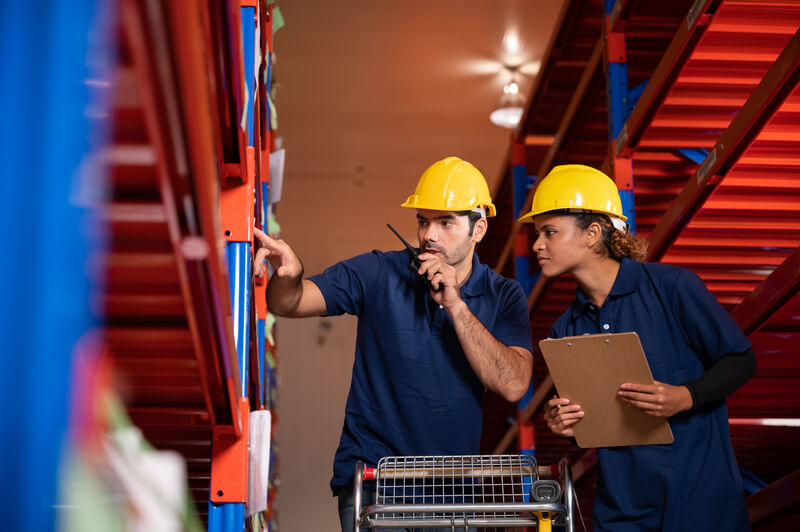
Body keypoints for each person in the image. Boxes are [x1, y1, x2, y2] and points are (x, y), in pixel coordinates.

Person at [254, 156, 534, 532]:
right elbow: (288, 302)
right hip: (374, 482)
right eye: (423, 221)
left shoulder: (504, 295)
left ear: (479, 228)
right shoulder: (378, 272)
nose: (429, 235)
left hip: (454, 491)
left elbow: (514, 384)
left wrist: (455, 305)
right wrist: (291, 274)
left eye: (446, 222)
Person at [518, 164, 756, 531]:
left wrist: (685, 396)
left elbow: (741, 360)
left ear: (592, 233)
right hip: (622, 511)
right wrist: (564, 420)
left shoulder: (672, 287)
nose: (537, 245)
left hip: (701, 501)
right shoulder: (565, 328)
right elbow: (597, 419)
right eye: (537, 233)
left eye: (549, 231)